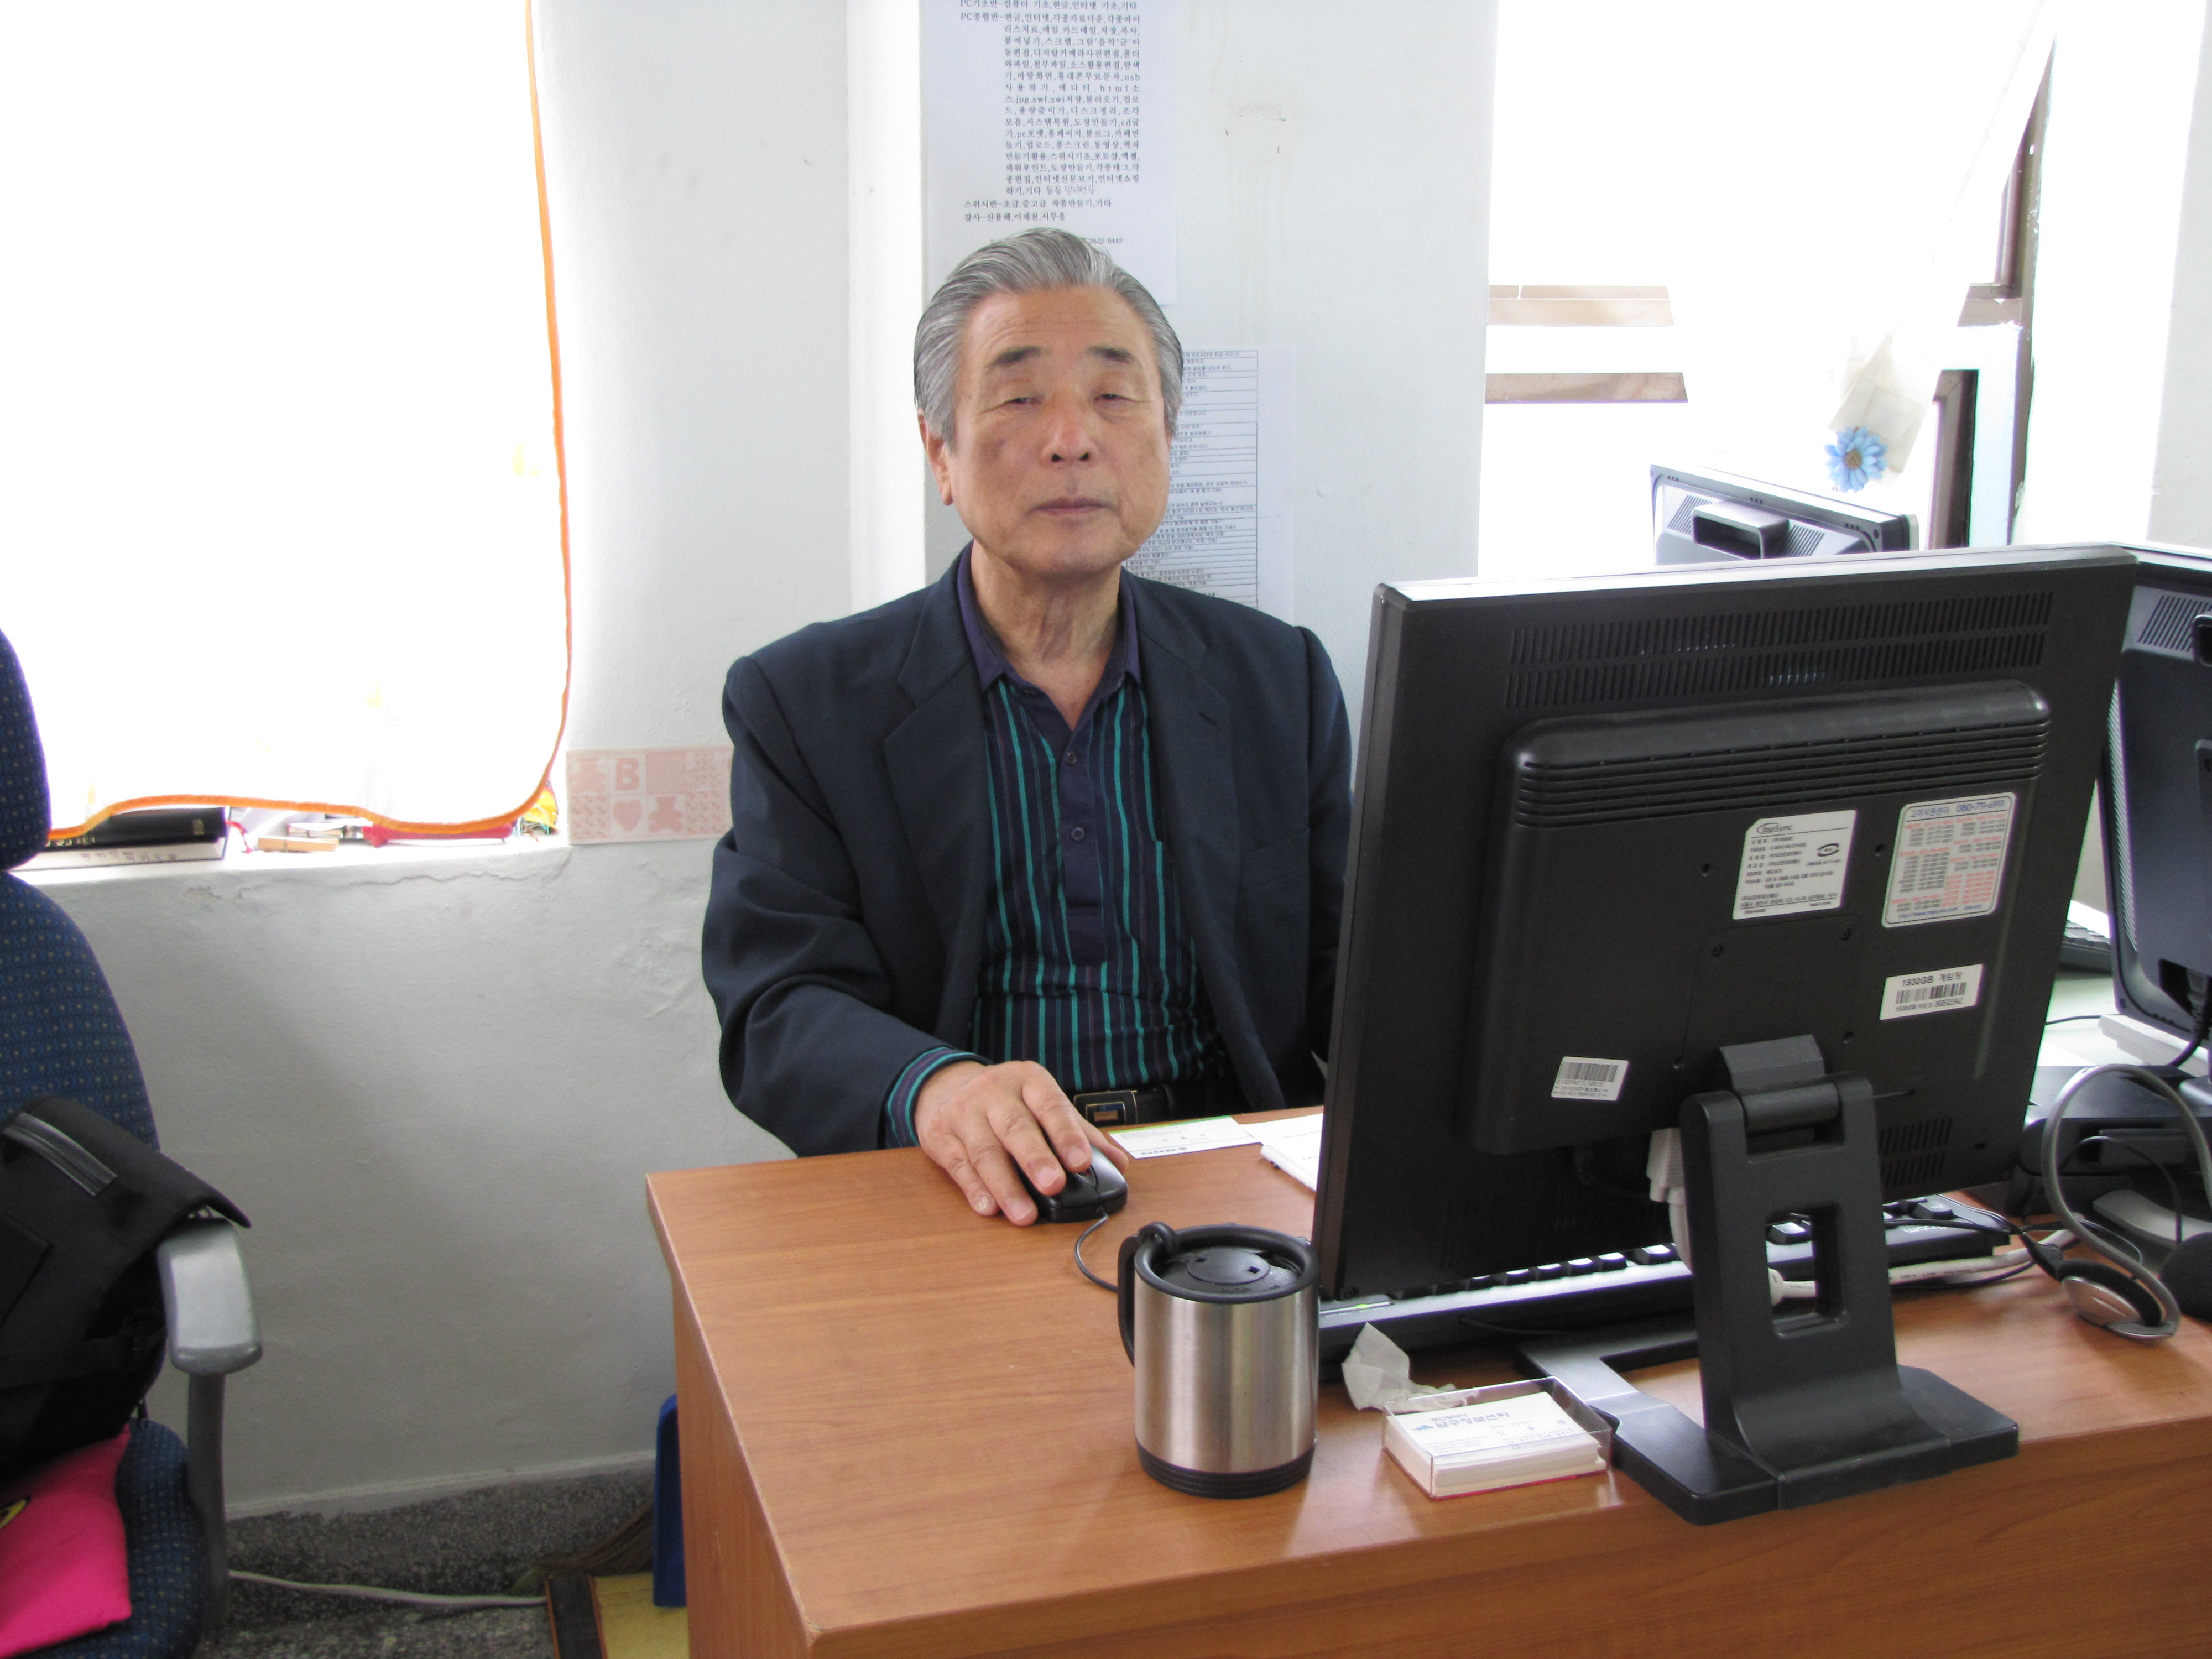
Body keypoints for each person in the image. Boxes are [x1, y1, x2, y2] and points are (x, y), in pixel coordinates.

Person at [702, 227, 1350, 1224]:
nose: (1071, 440)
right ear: (941, 452)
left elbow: (1357, 970)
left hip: (1228, 1179)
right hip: (964, 1188)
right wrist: (937, 1088)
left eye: (1114, 396)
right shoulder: (806, 701)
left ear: (1168, 437)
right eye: (1017, 398)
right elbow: (777, 1004)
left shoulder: (1277, 679)